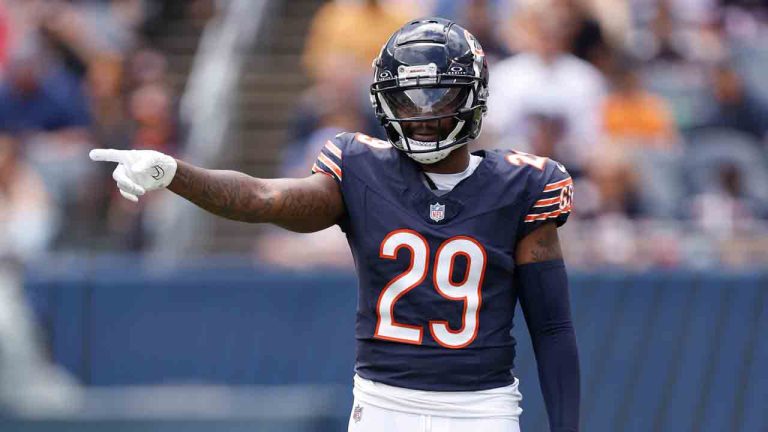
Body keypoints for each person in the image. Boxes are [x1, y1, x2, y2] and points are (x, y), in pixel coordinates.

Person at [90, 18, 580, 432]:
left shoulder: (523, 185)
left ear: (473, 96)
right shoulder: (360, 169)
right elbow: (263, 197)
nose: (424, 114)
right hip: (383, 409)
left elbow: (552, 327)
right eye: (408, 99)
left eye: (439, 96)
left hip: (482, 411)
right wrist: (176, 172)